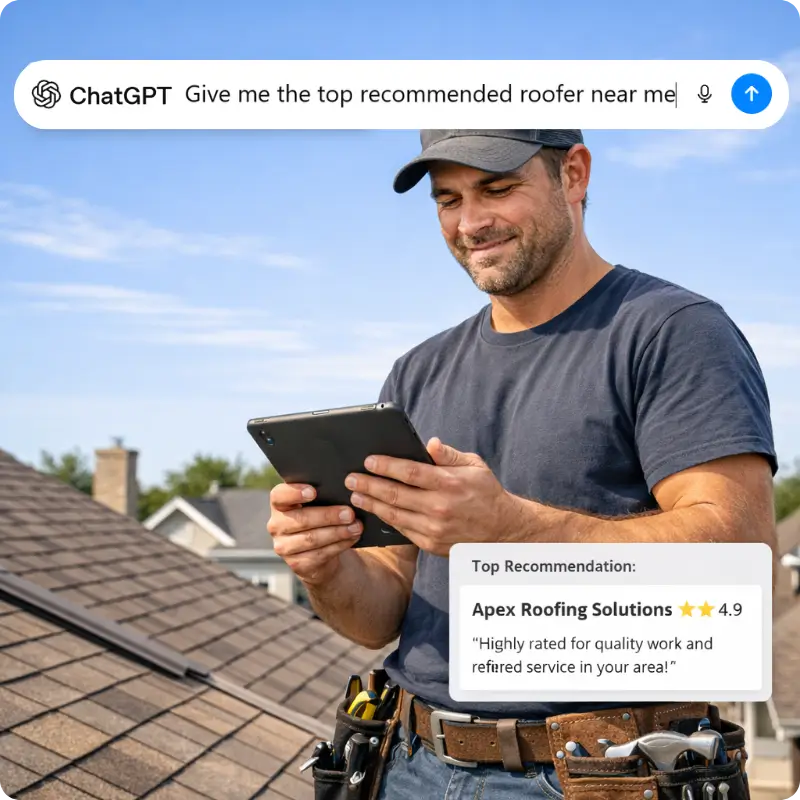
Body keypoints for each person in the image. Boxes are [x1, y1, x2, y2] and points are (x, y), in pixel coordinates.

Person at [268, 130, 778, 799]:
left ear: (574, 174)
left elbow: (745, 573)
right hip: (409, 761)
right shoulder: (418, 372)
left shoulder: (673, 332)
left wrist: (510, 527)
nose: (470, 222)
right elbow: (381, 613)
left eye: (498, 189)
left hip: (598, 775)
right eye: (447, 199)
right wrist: (326, 566)